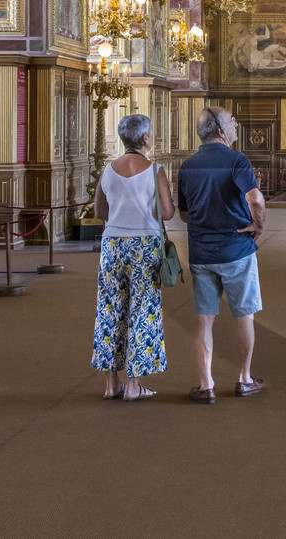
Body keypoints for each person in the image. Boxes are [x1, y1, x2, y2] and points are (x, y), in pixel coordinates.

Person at [176, 106, 266, 403]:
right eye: (231, 120)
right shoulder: (237, 160)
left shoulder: (187, 165)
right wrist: (258, 225)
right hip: (236, 251)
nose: (235, 123)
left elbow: (184, 214)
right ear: (219, 130)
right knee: (244, 316)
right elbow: (255, 199)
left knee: (204, 319)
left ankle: (206, 385)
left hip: (202, 254)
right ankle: (244, 379)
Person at [91, 113, 176, 402]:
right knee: (143, 310)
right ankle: (133, 384)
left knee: (109, 310)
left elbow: (100, 212)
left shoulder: (108, 170)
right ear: (145, 138)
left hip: (113, 245)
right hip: (145, 246)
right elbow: (167, 213)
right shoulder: (155, 171)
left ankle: (110, 383)